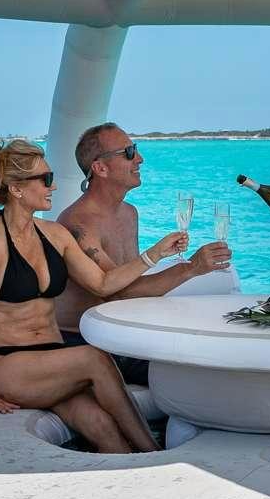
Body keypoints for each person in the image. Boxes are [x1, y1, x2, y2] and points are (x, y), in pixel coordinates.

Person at [0, 135, 184, 453]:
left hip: (54, 359)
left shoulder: (56, 234)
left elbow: (103, 284)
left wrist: (155, 254)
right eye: (46, 179)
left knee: (100, 425)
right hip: (8, 364)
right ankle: (155, 454)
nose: (53, 186)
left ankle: (132, 481)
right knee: (95, 358)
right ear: (17, 188)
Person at [55, 122, 233, 384]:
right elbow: (117, 291)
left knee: (213, 356)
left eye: (135, 149)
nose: (139, 158)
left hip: (120, 331)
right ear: (100, 168)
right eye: (128, 152)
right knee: (196, 375)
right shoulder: (78, 224)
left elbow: (132, 287)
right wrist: (191, 267)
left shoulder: (129, 213)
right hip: (87, 338)